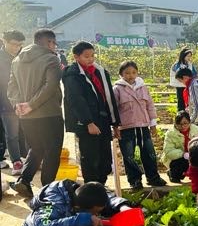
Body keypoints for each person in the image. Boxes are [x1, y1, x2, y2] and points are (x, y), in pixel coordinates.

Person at [8, 28, 64, 200]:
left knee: (36, 148)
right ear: (49, 42)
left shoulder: (17, 59)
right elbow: (51, 86)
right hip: (49, 114)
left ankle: (24, 181)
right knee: (52, 151)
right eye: (54, 43)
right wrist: (31, 105)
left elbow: (12, 86)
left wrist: (18, 105)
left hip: (26, 117)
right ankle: (47, 192)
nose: (55, 47)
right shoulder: (51, 59)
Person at [62, 41, 121, 185]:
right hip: (86, 122)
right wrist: (88, 122)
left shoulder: (100, 72)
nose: (91, 59)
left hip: (103, 119)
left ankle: (101, 184)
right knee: (90, 156)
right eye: (87, 56)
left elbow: (109, 97)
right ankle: (92, 186)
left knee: (105, 156)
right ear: (76, 57)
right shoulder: (73, 74)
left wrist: (115, 123)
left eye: (92, 55)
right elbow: (76, 100)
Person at [113, 61, 167, 190]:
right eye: (127, 73)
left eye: (133, 72)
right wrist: (114, 126)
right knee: (129, 156)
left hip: (143, 126)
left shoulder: (143, 87)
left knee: (149, 153)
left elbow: (150, 105)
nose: (130, 75)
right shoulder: (117, 89)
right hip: (126, 127)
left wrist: (153, 123)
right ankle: (135, 180)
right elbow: (113, 109)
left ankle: (153, 177)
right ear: (121, 74)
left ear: (137, 73)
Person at [0, 30, 27, 177]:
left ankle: (28, 158)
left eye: (20, 45)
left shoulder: (23, 56)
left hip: (25, 101)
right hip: (6, 103)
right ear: (4, 41)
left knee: (27, 131)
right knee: (11, 134)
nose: (17, 47)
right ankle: (16, 161)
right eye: (14, 44)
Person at [160, 111, 198, 183]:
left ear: (189, 122)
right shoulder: (170, 133)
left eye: (185, 123)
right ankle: (172, 173)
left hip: (192, 156)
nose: (183, 126)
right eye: (179, 124)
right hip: (177, 159)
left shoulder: (196, 130)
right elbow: (168, 151)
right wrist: (183, 154)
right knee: (177, 177)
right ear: (175, 124)